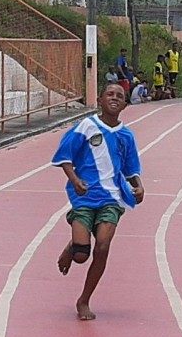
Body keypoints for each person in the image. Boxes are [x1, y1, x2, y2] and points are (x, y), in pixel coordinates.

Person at [52, 83, 144, 321]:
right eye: (110, 94)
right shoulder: (86, 126)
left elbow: (131, 169)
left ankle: (84, 300)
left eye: (119, 96)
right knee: (82, 255)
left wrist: (139, 185)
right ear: (101, 99)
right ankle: (74, 246)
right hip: (84, 196)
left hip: (111, 199)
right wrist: (74, 180)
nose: (114, 98)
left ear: (125, 104)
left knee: (102, 246)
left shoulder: (126, 136)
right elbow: (64, 157)